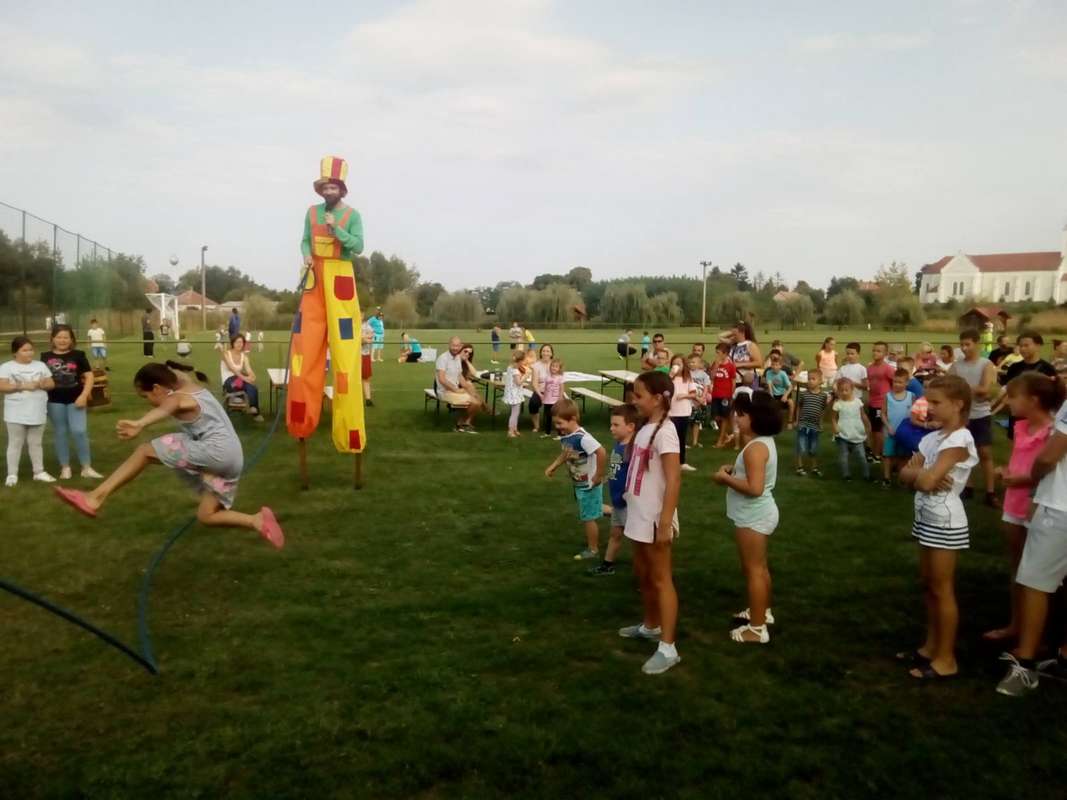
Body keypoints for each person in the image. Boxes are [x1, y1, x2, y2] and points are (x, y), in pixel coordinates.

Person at [53, 362, 284, 548]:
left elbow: (166, 408)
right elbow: (173, 375)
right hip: (233, 458)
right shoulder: (189, 384)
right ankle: (256, 520)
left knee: (145, 451)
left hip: (216, 452)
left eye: (146, 397)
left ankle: (95, 497)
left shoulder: (177, 398)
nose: (149, 402)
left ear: (156, 388)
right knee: (206, 515)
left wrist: (140, 423)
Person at [897, 375, 978, 680]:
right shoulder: (933, 438)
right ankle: (930, 647)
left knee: (942, 589)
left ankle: (947, 658)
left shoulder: (960, 439)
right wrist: (921, 475)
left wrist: (921, 475)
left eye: (935, 402)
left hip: (945, 521)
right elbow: (905, 474)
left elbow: (925, 481)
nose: (928, 407)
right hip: (926, 518)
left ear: (957, 404)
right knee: (928, 585)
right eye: (927, 401)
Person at [287, 155, 367, 457]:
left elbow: (358, 246)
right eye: (325, 187)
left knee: (345, 355)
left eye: (333, 187)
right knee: (305, 349)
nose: (328, 191)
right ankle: (301, 421)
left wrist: (337, 230)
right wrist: (306, 254)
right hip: (315, 278)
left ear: (341, 189)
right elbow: (304, 240)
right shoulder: (311, 212)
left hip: (340, 278)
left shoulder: (352, 215)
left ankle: (349, 430)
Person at [995, 387, 1067, 696]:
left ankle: (1025, 663)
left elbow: (1050, 455)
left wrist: (1036, 479)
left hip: (1059, 506)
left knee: (1034, 582)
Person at [982, 373, 1059, 646]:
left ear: (1034, 400)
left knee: (1036, 572)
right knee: (1018, 567)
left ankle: (1038, 629)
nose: (1008, 402)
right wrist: (1008, 472)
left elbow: (1049, 470)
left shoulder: (1053, 432)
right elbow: (1021, 461)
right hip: (1014, 502)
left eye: (1013, 397)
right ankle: (1016, 624)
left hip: (1039, 505)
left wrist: (1022, 479)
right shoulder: (1021, 426)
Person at [617, 370, 682, 675]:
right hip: (638, 515)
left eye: (639, 395)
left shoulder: (666, 432)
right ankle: (651, 625)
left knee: (661, 578)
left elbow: (674, 479)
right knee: (643, 574)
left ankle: (668, 649)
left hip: (656, 518)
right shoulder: (646, 428)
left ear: (657, 399)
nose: (634, 400)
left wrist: (665, 522)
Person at [713, 391, 782, 644]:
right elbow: (755, 475)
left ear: (756, 418)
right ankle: (761, 611)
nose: (736, 418)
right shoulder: (761, 443)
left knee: (754, 570)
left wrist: (724, 478)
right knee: (758, 568)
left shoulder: (755, 448)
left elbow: (755, 488)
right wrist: (735, 470)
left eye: (741, 415)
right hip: (757, 514)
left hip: (753, 516)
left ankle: (757, 629)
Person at [544, 399, 606, 561]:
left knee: (588, 517)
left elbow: (601, 452)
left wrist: (598, 475)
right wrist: (553, 466)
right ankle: (620, 515)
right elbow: (566, 454)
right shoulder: (567, 436)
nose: (557, 427)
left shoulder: (582, 438)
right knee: (591, 508)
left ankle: (593, 549)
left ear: (572, 419)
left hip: (589, 484)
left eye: (560, 423)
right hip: (579, 483)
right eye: (555, 423)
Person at [42, 325, 102, 480]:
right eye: (59, 337)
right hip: (54, 400)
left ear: (71, 340)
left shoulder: (78, 355)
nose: (62, 340)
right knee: (60, 432)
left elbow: (89, 376)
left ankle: (86, 467)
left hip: (76, 399)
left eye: (66, 337)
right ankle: (65, 467)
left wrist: (84, 395)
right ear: (52, 339)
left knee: (79, 431)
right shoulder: (45, 357)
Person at [950, 329, 998, 506]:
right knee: (963, 453)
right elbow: (948, 385)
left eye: (968, 344)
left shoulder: (986, 364)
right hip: (962, 415)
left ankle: (990, 492)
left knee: (984, 453)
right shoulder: (956, 365)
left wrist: (961, 388)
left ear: (977, 343)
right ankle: (967, 487)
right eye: (962, 344)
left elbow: (985, 389)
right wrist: (972, 389)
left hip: (981, 414)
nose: (964, 348)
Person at [0, 336, 56, 486]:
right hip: (15, 412)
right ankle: (12, 474)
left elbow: (51, 383)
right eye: (24, 350)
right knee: (15, 443)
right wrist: (23, 386)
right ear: (15, 352)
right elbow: (2, 386)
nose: (29, 353)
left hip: (37, 409)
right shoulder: (6, 367)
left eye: (31, 349)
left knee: (36, 443)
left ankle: (39, 472)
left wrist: (43, 384)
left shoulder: (40, 365)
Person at [591, 403, 637, 576]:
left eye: (616, 425)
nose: (611, 428)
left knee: (636, 539)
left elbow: (635, 475)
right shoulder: (618, 444)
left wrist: (627, 494)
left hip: (628, 503)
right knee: (615, 534)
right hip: (617, 501)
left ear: (630, 427)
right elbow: (615, 468)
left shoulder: (632, 450)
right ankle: (607, 565)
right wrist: (606, 478)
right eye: (611, 424)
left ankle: (645, 570)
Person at [997, 332, 1057, 439]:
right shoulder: (1014, 368)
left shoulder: (1047, 369)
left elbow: (1052, 396)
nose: (1022, 349)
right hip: (1017, 416)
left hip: (1037, 418)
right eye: (1020, 346)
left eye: (1026, 345)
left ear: (1038, 346)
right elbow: (1008, 390)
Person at [435, 337, 483, 432]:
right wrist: (456, 390)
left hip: (454, 390)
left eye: (457, 346)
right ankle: (462, 424)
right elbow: (442, 379)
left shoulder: (457, 358)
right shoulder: (443, 358)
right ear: (449, 345)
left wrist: (467, 388)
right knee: (475, 403)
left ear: (460, 346)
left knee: (477, 401)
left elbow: (459, 376)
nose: (455, 348)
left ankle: (463, 424)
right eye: (453, 345)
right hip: (444, 391)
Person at [882, 368, 916, 488]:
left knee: (904, 456)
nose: (896, 384)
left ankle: (902, 478)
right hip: (890, 432)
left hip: (905, 433)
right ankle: (886, 478)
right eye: (895, 381)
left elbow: (914, 413)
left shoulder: (911, 396)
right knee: (887, 455)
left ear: (906, 383)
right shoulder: (888, 396)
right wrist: (888, 427)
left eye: (900, 382)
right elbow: (883, 414)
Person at [832, 377, 871, 481]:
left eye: (846, 390)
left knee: (862, 456)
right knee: (844, 455)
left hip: (856, 431)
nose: (844, 393)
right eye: (841, 390)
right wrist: (835, 427)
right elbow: (833, 418)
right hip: (843, 432)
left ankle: (866, 475)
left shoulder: (858, 402)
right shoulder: (838, 404)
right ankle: (846, 475)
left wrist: (867, 424)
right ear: (838, 391)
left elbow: (863, 415)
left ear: (852, 389)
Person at [668, 355, 700, 473]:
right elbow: (663, 390)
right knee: (671, 438)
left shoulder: (687, 379)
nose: (676, 366)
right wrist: (670, 376)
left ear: (684, 366)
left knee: (681, 438)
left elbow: (693, 394)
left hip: (683, 412)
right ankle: (670, 461)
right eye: (674, 364)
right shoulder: (669, 379)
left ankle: (681, 462)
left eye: (679, 364)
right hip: (671, 413)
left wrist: (684, 395)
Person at [222, 334, 264, 421]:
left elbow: (249, 369)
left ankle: (254, 409)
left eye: (241, 342)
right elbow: (232, 369)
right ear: (233, 343)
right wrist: (246, 379)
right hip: (229, 384)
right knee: (246, 383)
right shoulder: (226, 354)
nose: (239, 344)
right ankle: (255, 412)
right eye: (237, 342)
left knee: (252, 386)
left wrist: (252, 376)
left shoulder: (244, 356)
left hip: (240, 381)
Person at [794, 369, 828, 477]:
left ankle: (814, 467)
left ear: (820, 381)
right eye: (809, 379)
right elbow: (798, 407)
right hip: (803, 424)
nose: (810, 381)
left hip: (815, 425)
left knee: (813, 447)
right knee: (801, 445)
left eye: (813, 379)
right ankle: (799, 467)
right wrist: (797, 420)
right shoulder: (804, 394)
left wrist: (821, 423)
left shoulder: (823, 396)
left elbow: (823, 410)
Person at [865, 342, 895, 465]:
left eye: (879, 351)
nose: (875, 353)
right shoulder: (869, 368)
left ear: (885, 353)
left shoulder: (888, 368)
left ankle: (878, 454)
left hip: (881, 404)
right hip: (872, 403)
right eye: (874, 350)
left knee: (878, 430)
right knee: (872, 429)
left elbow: (895, 383)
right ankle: (874, 451)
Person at [711, 343, 737, 449]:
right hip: (715, 394)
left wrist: (731, 394)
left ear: (725, 353)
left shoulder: (731, 366)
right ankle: (726, 436)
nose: (717, 355)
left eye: (718, 353)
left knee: (724, 417)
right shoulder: (715, 363)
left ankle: (720, 440)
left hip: (725, 395)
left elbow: (733, 381)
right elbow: (712, 377)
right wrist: (716, 366)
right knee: (716, 417)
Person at [762, 352, 794, 428]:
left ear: (780, 366)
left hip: (783, 393)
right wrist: (771, 396)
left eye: (776, 365)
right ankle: (771, 420)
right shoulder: (769, 373)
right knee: (768, 403)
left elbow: (790, 387)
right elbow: (769, 385)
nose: (774, 367)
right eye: (773, 365)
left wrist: (785, 395)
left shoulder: (783, 374)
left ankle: (790, 421)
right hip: (774, 393)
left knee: (791, 403)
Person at [729, 321, 762, 390]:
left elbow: (759, 363)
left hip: (747, 381)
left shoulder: (750, 345)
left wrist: (739, 365)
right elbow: (720, 337)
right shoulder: (733, 345)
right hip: (734, 381)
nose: (732, 336)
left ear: (742, 333)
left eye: (735, 334)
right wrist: (733, 331)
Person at [529, 344, 554, 434]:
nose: (545, 353)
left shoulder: (555, 364)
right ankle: (536, 426)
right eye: (543, 351)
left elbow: (560, 380)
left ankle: (559, 425)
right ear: (540, 353)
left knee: (562, 404)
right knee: (533, 403)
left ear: (551, 353)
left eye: (548, 351)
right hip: (540, 390)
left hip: (553, 391)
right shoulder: (536, 365)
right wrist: (540, 395)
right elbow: (534, 383)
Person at [503, 349, 528, 439]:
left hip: (512, 392)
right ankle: (510, 430)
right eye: (524, 360)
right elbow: (518, 382)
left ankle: (515, 429)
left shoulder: (510, 367)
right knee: (514, 413)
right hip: (514, 394)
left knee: (516, 412)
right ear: (520, 361)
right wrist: (526, 376)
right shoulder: (515, 371)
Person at [688, 354, 710, 449]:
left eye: (693, 362)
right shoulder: (687, 374)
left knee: (697, 421)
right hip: (690, 400)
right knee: (687, 421)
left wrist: (703, 398)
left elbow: (706, 387)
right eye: (690, 362)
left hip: (700, 401)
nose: (691, 364)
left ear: (699, 363)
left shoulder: (704, 375)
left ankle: (695, 441)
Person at [539, 359, 565, 437]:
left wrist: (560, 398)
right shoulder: (547, 377)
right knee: (548, 417)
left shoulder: (560, 377)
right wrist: (543, 397)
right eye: (552, 366)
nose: (554, 368)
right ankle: (547, 433)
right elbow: (546, 388)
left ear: (559, 368)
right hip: (547, 401)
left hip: (556, 401)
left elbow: (562, 389)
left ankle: (560, 434)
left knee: (557, 418)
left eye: (556, 367)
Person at [360, 319, 375, 407]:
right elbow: (360, 340)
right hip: (354, 355)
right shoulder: (352, 324)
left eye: (362, 313)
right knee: (353, 379)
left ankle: (368, 399)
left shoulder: (367, 326)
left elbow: (371, 337)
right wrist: (363, 338)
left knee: (366, 377)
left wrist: (364, 338)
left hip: (365, 354)